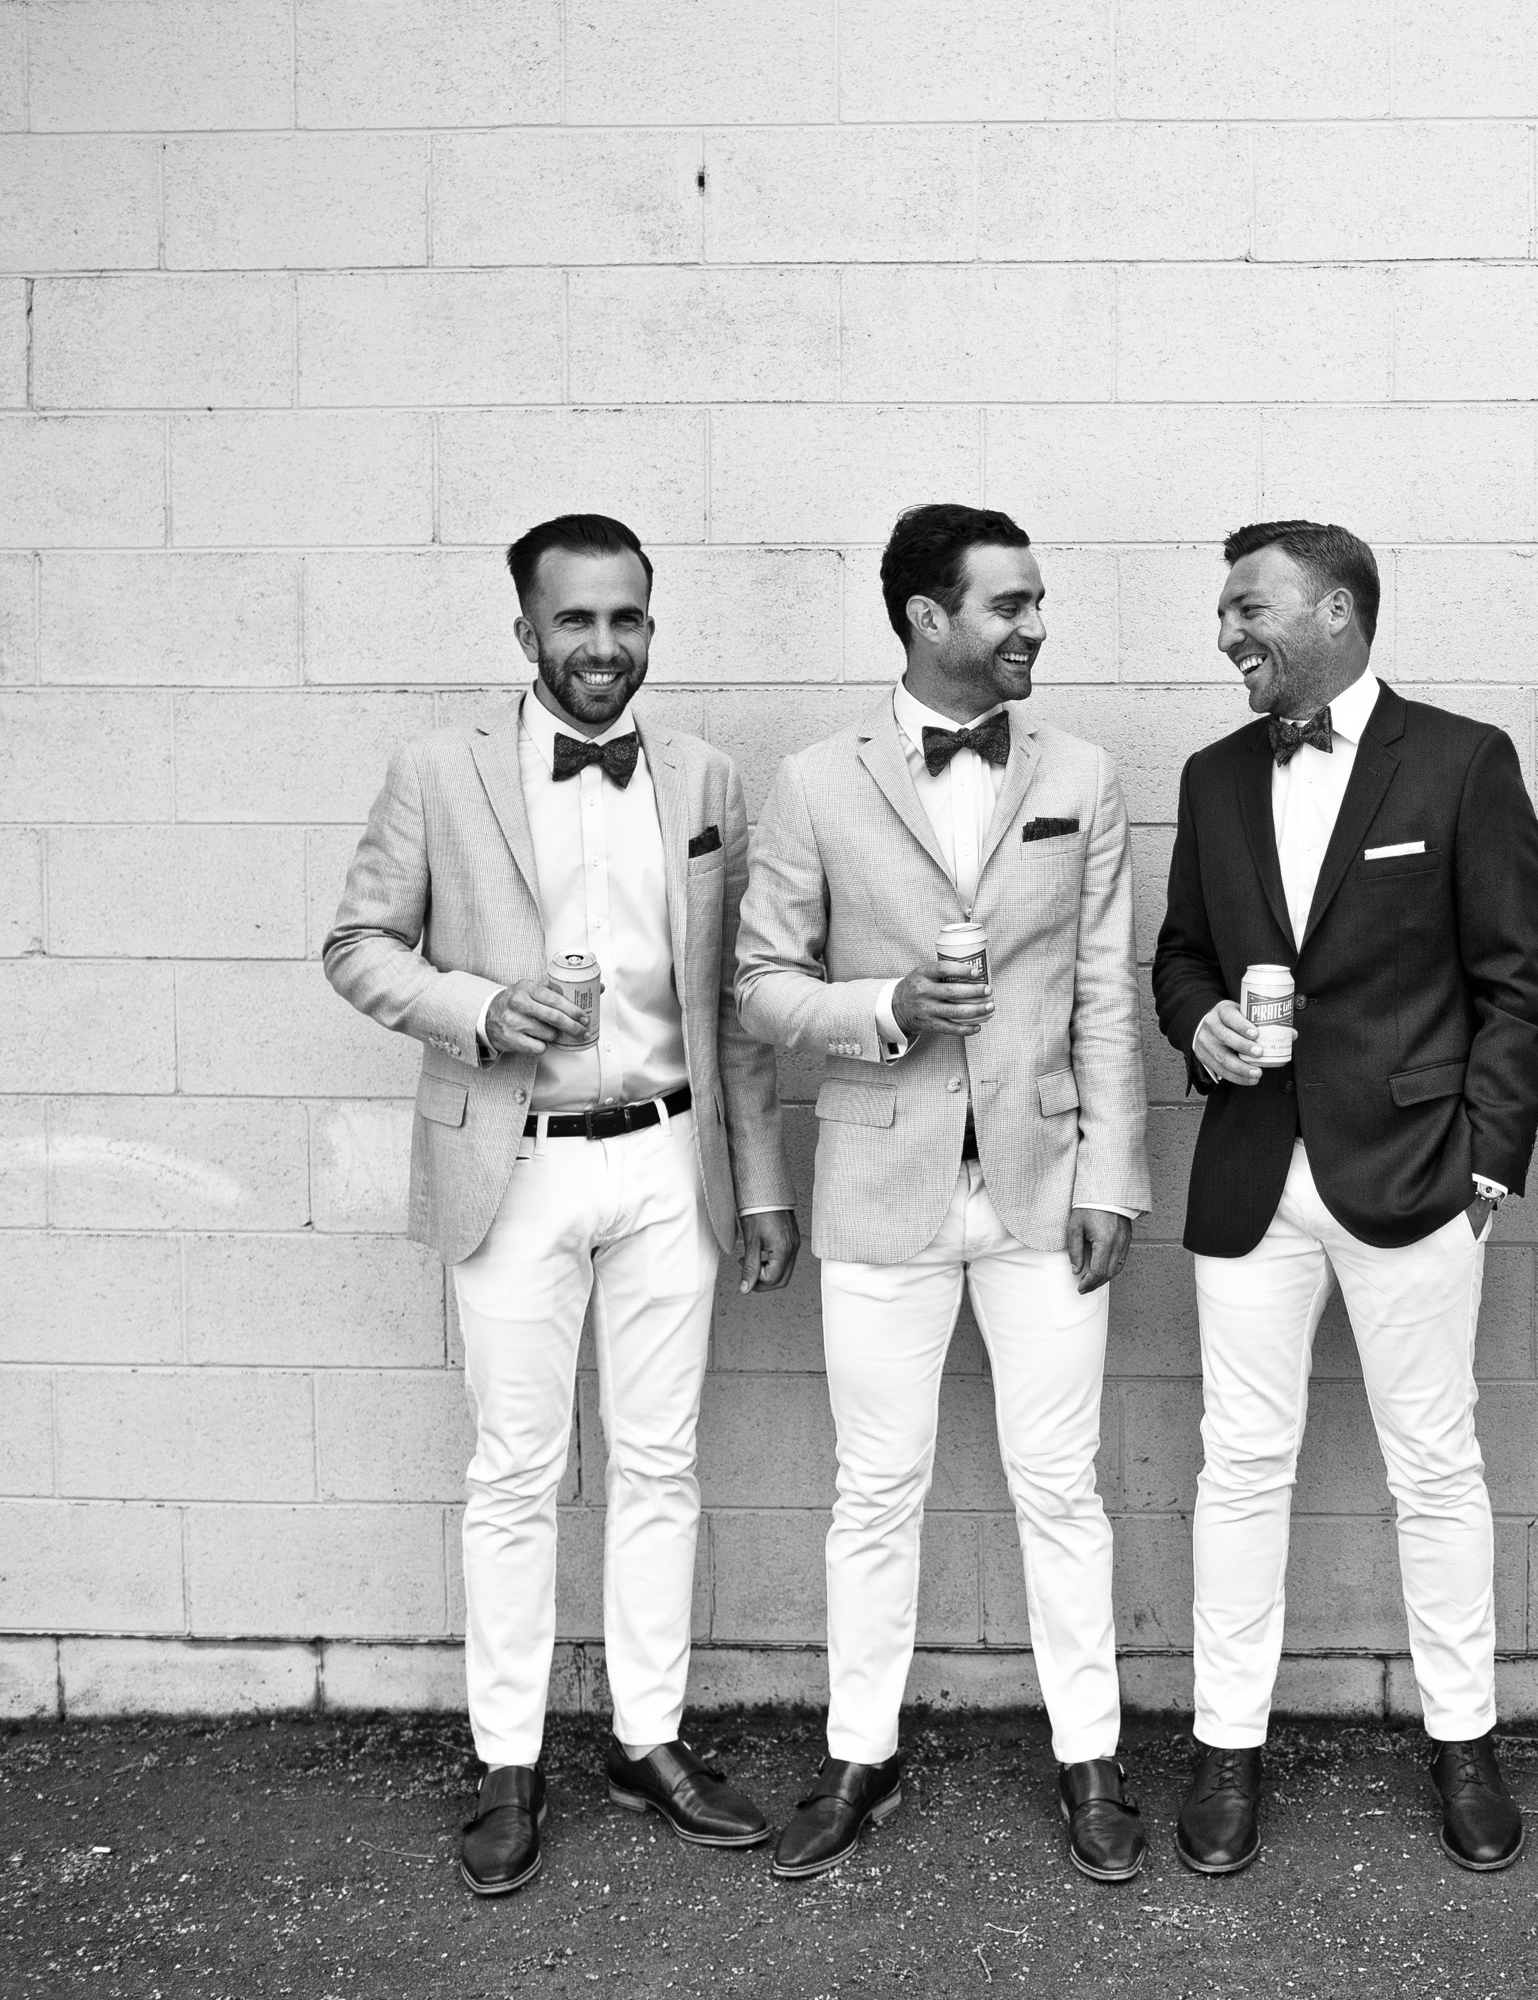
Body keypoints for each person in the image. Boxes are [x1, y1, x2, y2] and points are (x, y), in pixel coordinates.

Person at [324, 513, 797, 1898]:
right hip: (512, 1162)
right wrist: (482, 1006)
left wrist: (760, 1184)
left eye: (626, 618)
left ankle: (649, 1739)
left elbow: (734, 1004)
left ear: (651, 625)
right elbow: (357, 945)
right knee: (514, 1473)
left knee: (661, 1464)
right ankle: (508, 1762)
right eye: (575, 620)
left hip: (667, 1164)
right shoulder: (439, 770)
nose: (603, 645)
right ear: (525, 631)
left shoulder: (705, 775)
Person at [735, 504, 1149, 1884]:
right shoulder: (816, 783)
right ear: (927, 616)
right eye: (1009, 605)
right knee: (874, 1489)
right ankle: (859, 1754)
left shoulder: (1081, 773)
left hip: (1043, 1188)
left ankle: (1092, 1761)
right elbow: (761, 986)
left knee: (1062, 1489)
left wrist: (1114, 1175)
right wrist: (886, 1008)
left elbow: (1103, 991)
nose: (1035, 626)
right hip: (879, 1183)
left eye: (1037, 602)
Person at [1152, 519, 1538, 1875]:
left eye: (1248, 607)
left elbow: (1516, 982)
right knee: (1239, 1466)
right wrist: (1200, 1022)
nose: (1227, 634)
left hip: (1416, 1176)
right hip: (1251, 1177)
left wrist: (1489, 1164)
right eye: (1224, 612)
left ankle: (1465, 1740)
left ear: (1336, 610)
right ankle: (1226, 1746)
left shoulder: (1462, 761)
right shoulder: (1213, 777)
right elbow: (1180, 955)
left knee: (1435, 1466)